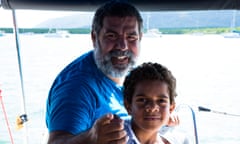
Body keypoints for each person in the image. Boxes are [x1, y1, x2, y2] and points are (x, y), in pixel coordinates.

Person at [46, 1, 179, 144]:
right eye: (111, 36)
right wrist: (91, 138)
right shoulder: (76, 88)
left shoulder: (128, 69)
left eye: (131, 37)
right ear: (94, 38)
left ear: (140, 38)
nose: (122, 46)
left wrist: (160, 115)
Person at [123, 62, 190, 144]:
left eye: (161, 101)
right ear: (128, 106)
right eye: (142, 100)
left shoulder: (180, 140)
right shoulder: (112, 137)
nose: (152, 107)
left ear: (171, 108)